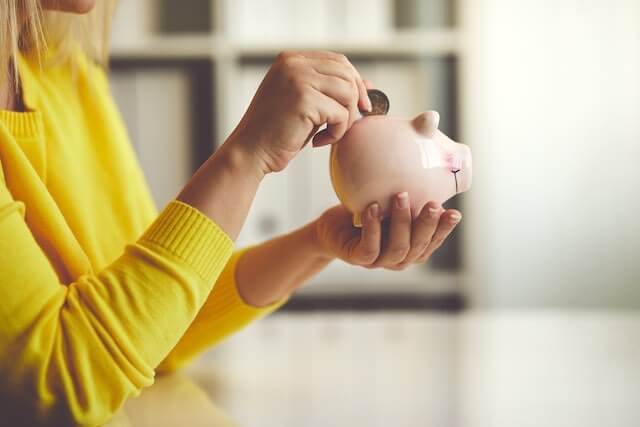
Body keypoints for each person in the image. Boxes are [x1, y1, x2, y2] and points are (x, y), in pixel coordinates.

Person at [0, 0, 462, 425]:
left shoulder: (67, 79)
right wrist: (247, 155)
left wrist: (319, 241)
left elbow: (154, 333)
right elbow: (55, 383)